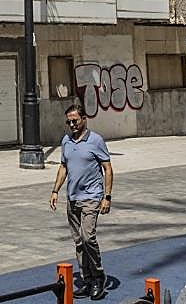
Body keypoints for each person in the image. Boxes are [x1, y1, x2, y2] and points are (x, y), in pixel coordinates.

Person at [49, 104, 113, 300]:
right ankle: (86, 279)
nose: (71, 125)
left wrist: (106, 197)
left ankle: (98, 277)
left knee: (88, 238)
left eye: (74, 121)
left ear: (84, 119)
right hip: (72, 198)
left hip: (92, 198)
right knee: (78, 242)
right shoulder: (66, 141)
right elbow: (63, 167)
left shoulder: (96, 140)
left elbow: (108, 169)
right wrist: (55, 191)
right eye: (68, 122)